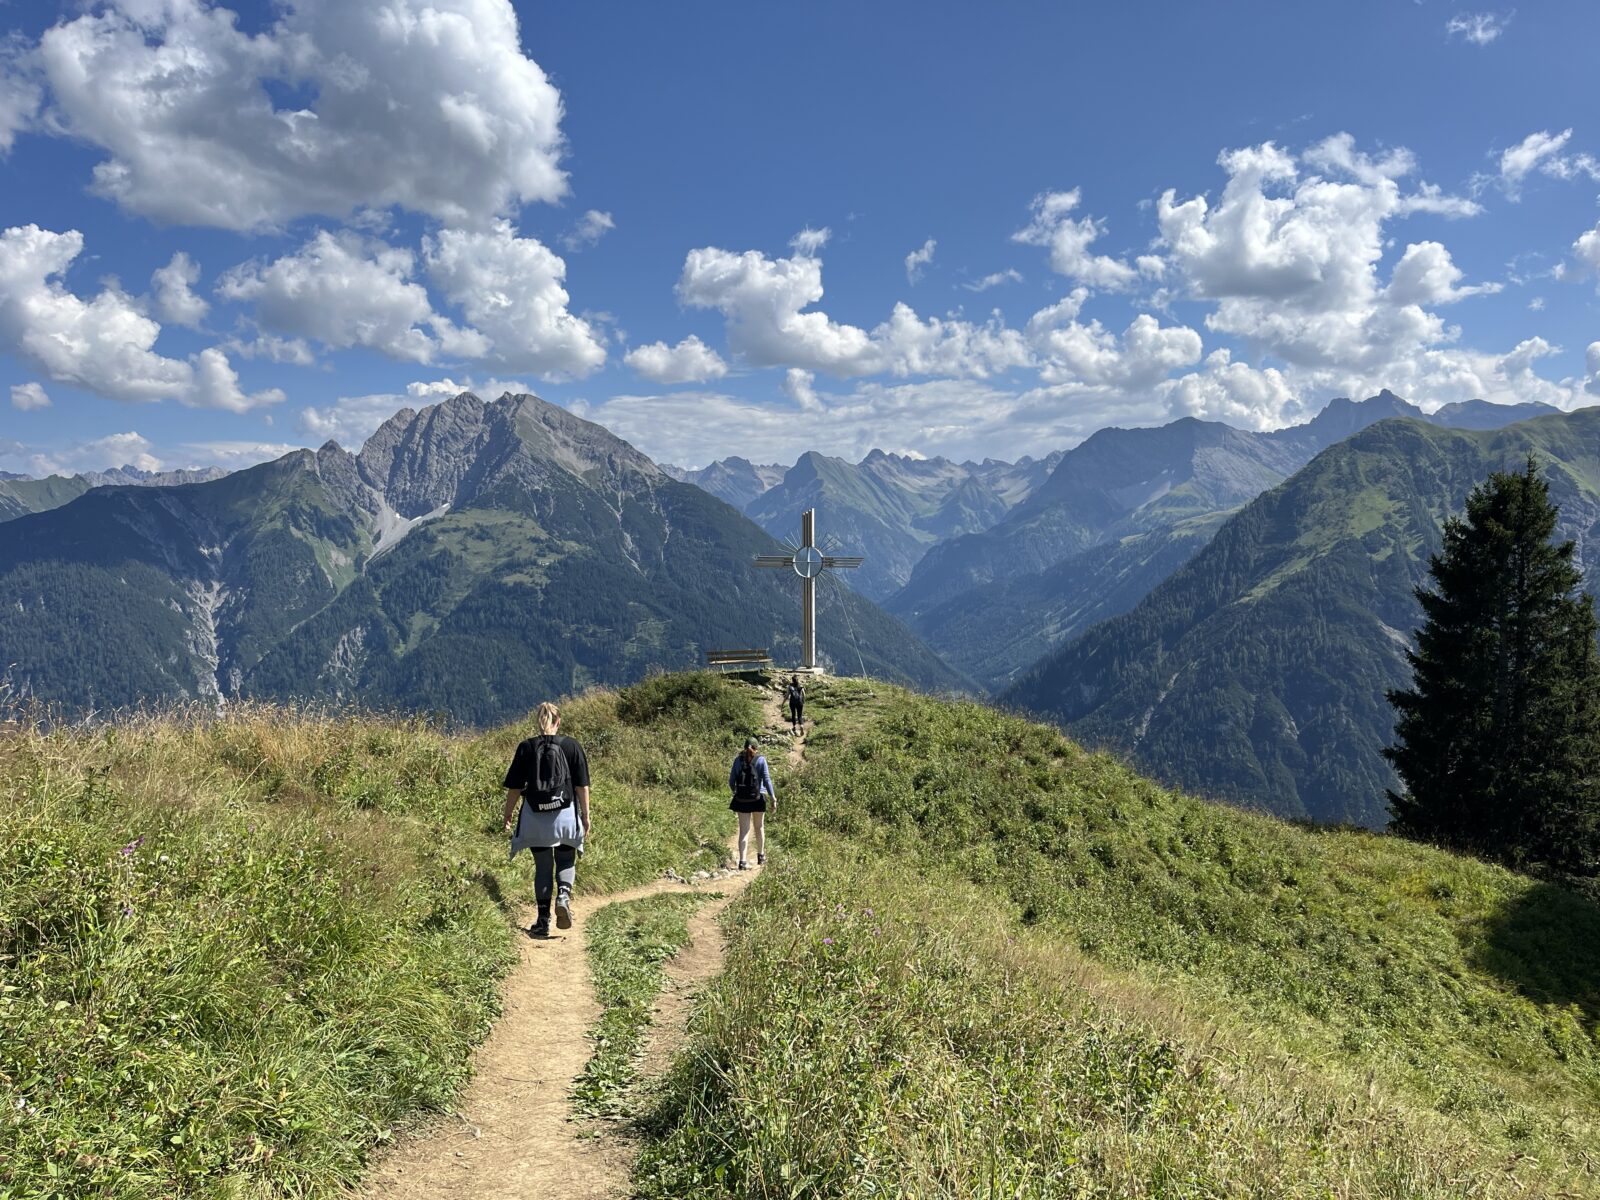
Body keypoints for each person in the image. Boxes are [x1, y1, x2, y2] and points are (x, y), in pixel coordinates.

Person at [503, 701, 591, 937]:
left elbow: (514, 786)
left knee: (542, 867)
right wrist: (586, 815)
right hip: (565, 814)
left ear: (538, 721)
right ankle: (563, 896)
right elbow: (582, 785)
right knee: (566, 859)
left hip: (535, 816)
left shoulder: (526, 747)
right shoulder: (571, 746)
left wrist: (508, 813)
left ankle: (543, 921)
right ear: (558, 722)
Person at [729, 738, 776, 870]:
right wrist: (773, 798)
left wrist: (736, 792)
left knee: (744, 831)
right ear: (756, 748)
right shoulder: (761, 760)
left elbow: (731, 781)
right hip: (758, 799)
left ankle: (742, 861)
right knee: (759, 827)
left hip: (741, 800)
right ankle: (761, 857)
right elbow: (767, 780)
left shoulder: (737, 761)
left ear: (744, 748)